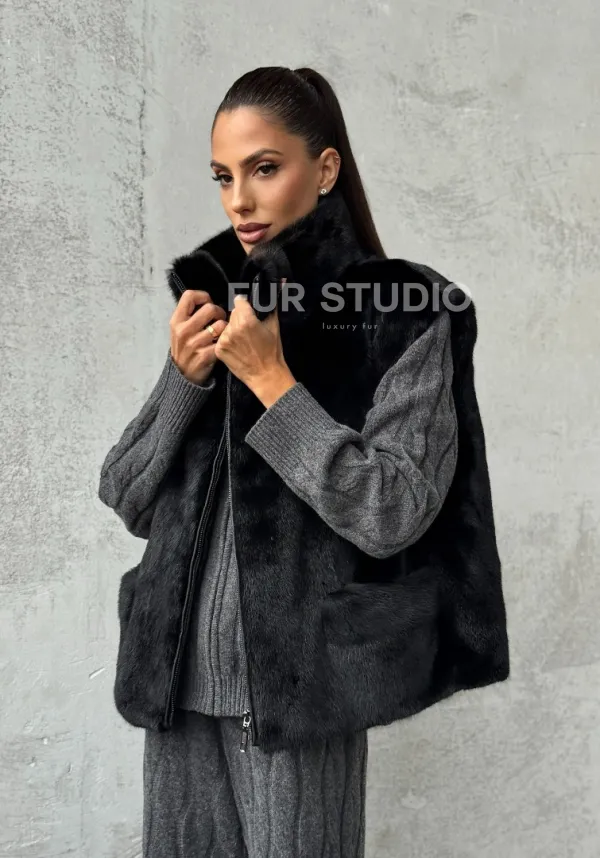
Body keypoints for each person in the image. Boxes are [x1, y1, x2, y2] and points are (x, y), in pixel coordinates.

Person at [98, 66, 509, 858]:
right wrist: (182, 381)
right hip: (176, 686)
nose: (239, 201)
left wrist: (274, 385)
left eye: (263, 168)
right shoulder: (220, 307)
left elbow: (394, 510)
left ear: (324, 170)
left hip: (298, 695)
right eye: (223, 176)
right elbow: (127, 497)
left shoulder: (406, 314)